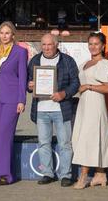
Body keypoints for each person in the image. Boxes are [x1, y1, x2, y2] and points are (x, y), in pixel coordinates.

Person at [27, 34, 79, 187]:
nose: (46, 48)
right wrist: (29, 85)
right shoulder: (35, 60)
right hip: (41, 109)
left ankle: (66, 175)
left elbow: (75, 83)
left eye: (50, 44)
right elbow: (28, 81)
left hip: (61, 109)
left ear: (56, 45)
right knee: (43, 143)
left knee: (65, 144)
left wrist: (63, 94)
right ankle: (47, 173)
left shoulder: (67, 61)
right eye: (43, 44)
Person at [72, 32, 108, 189]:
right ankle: (100, 174)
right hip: (84, 103)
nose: (93, 46)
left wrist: (89, 86)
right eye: (90, 43)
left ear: (103, 46)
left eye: (96, 43)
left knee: (88, 138)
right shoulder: (84, 63)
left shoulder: (106, 64)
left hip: (96, 104)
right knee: (90, 137)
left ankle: (83, 176)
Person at [0, 21, 27, 185]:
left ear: (13, 35)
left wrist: (22, 99)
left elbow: (22, 77)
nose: (4, 36)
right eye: (2, 33)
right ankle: (2, 171)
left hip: (12, 99)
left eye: (7, 33)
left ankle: (5, 174)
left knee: (4, 134)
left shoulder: (20, 52)